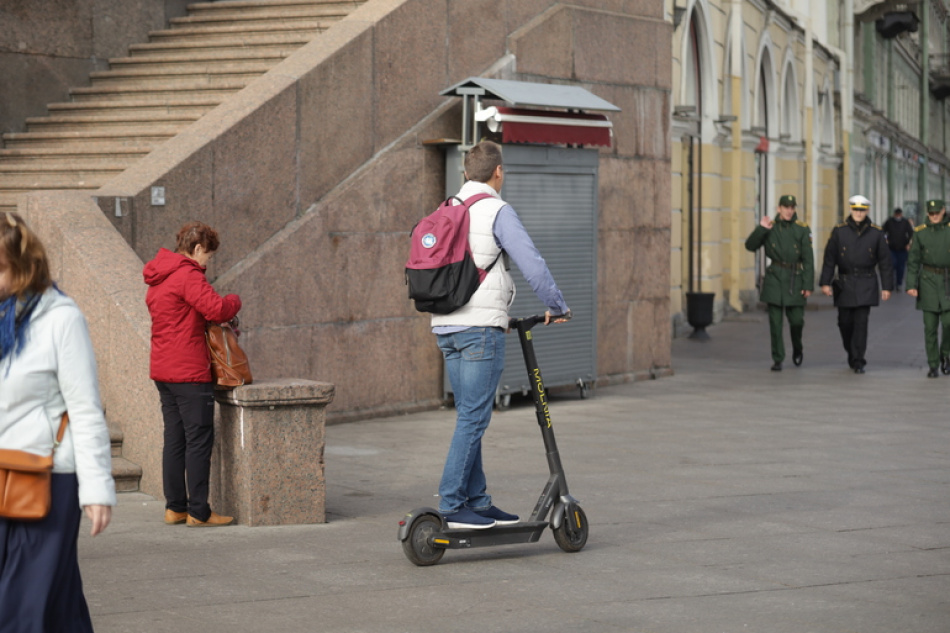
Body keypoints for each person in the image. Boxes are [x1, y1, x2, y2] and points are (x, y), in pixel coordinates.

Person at [431, 140, 570, 529]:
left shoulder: (446, 208)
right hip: (479, 331)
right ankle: (452, 503)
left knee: (467, 416)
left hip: (446, 325)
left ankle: (477, 500)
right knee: (473, 419)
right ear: (498, 172)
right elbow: (532, 263)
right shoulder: (496, 210)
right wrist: (557, 305)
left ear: (464, 173)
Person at [0, 212, 115, 630]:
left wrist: (98, 489)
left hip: (47, 478)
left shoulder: (61, 319)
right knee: (58, 601)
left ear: (25, 266)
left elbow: (85, 409)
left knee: (22, 607)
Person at [144, 221, 241, 526]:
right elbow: (217, 309)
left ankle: (175, 508)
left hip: (163, 370)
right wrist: (235, 300)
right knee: (198, 439)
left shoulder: (159, 276)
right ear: (198, 248)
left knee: (175, 439)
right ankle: (199, 511)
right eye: (208, 257)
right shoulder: (187, 274)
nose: (206, 264)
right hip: (189, 371)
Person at [818, 195, 894, 373]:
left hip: (866, 282)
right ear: (851, 210)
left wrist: (887, 287)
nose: (858, 213)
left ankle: (858, 359)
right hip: (844, 283)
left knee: (861, 323)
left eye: (862, 210)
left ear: (867, 211)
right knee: (844, 322)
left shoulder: (876, 232)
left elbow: (885, 261)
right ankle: (851, 351)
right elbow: (830, 259)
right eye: (855, 210)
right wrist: (825, 282)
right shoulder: (839, 231)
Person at [745, 194, 815, 371]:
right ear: (779, 209)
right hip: (775, 278)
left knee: (797, 321)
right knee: (775, 323)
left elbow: (808, 259)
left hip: (795, 278)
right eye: (785, 207)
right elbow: (750, 246)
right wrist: (761, 229)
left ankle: (797, 347)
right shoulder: (770, 227)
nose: (789, 211)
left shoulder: (802, 229)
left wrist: (808, 285)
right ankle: (778, 358)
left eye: (791, 208)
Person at [905, 200, 950, 378]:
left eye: (937, 213)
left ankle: (946, 354)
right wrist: (911, 285)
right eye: (931, 213)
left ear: (943, 211)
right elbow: (913, 260)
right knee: (930, 327)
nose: (934, 216)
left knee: (948, 323)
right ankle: (933, 364)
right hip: (928, 282)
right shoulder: (920, 233)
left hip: (948, 281)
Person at [882, 207, 913, 289]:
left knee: (901, 267)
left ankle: (898, 283)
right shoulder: (889, 221)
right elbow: (882, 231)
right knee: (892, 265)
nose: (898, 216)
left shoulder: (905, 222)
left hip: (902, 249)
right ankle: (891, 283)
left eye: (899, 214)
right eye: (897, 214)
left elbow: (910, 233)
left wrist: (908, 243)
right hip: (891, 248)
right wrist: (885, 240)